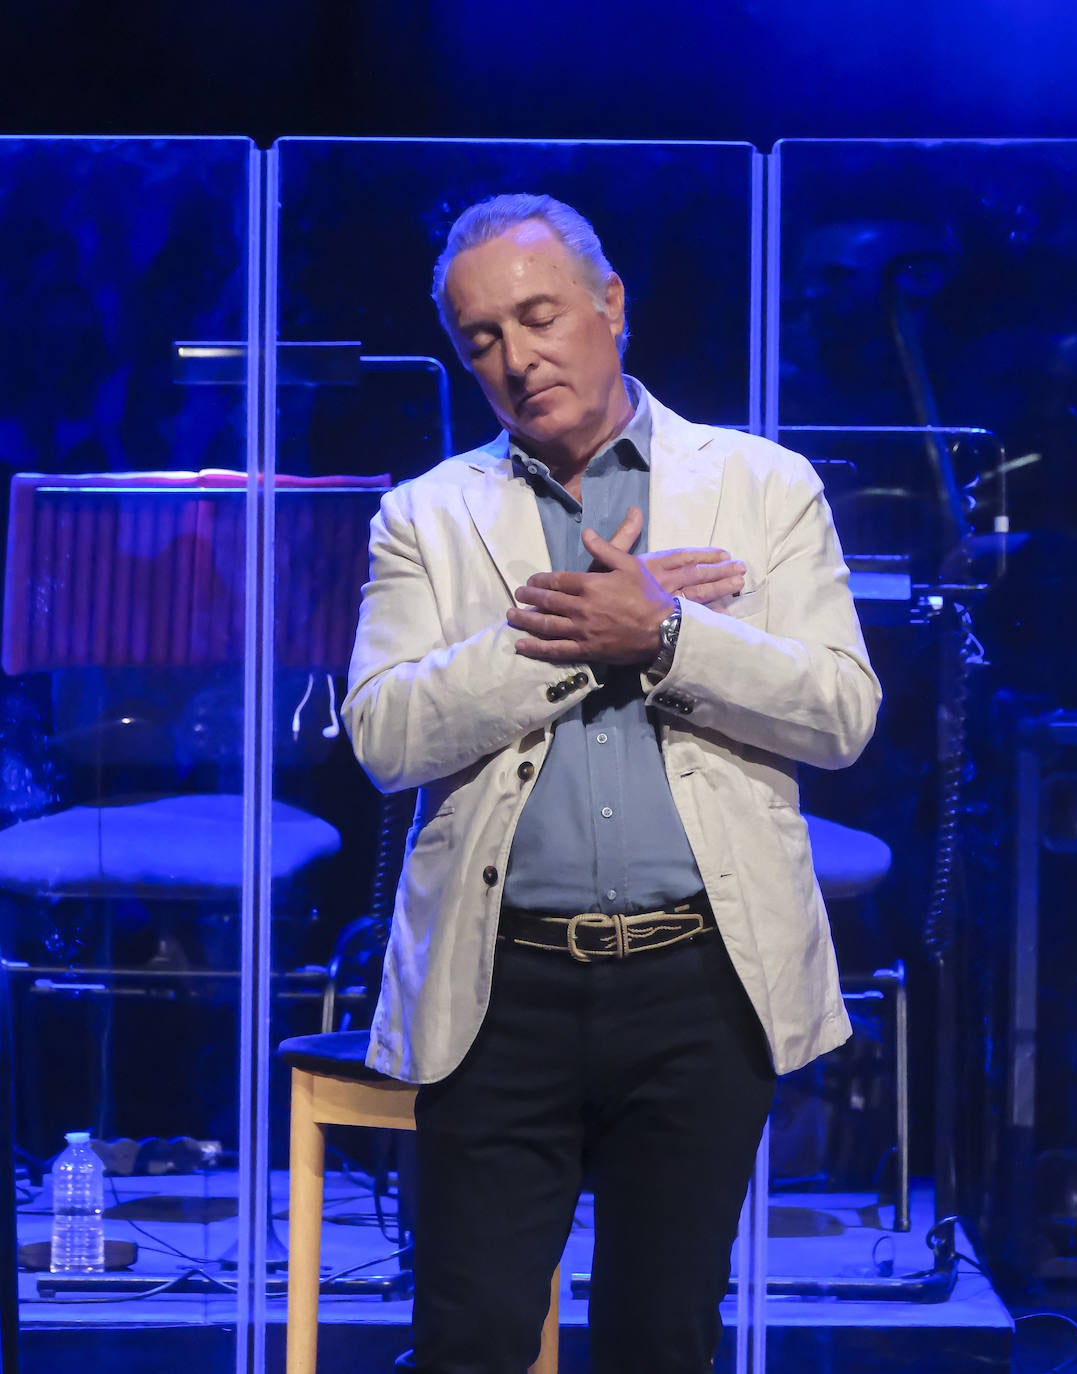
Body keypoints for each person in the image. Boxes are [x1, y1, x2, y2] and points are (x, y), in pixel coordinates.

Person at [343, 193, 880, 1374]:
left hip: (696, 982)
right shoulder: (422, 517)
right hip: (500, 988)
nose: (514, 357)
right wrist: (567, 634)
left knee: (660, 1338)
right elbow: (381, 736)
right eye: (478, 338)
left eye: (536, 317)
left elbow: (842, 714)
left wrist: (669, 631)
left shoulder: (763, 485)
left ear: (610, 305)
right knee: (468, 1337)